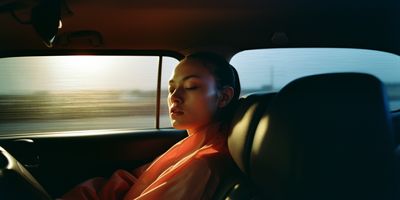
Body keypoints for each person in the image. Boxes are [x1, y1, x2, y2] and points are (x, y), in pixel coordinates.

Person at [61, 52, 241, 200]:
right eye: (171, 89)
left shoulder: (202, 165)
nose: (175, 97)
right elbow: (133, 181)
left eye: (191, 86)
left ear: (224, 97)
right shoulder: (191, 146)